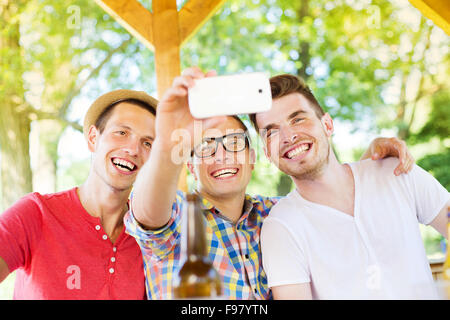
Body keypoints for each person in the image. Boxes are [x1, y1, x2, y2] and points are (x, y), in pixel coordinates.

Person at [124, 67, 414, 299]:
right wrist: (165, 144)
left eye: (234, 143)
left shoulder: (276, 215)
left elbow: (330, 196)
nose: (222, 155)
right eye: (207, 146)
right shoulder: (178, 216)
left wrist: (370, 159)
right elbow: (148, 214)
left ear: (252, 157)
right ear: (190, 165)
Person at [253, 74, 450, 299]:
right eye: (272, 132)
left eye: (298, 119)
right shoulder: (281, 226)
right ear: (268, 153)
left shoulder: (398, 173)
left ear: (327, 124)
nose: (288, 136)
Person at [0, 89, 157, 299]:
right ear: (93, 138)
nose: (133, 149)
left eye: (147, 143)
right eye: (122, 132)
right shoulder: (35, 213)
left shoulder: (150, 238)